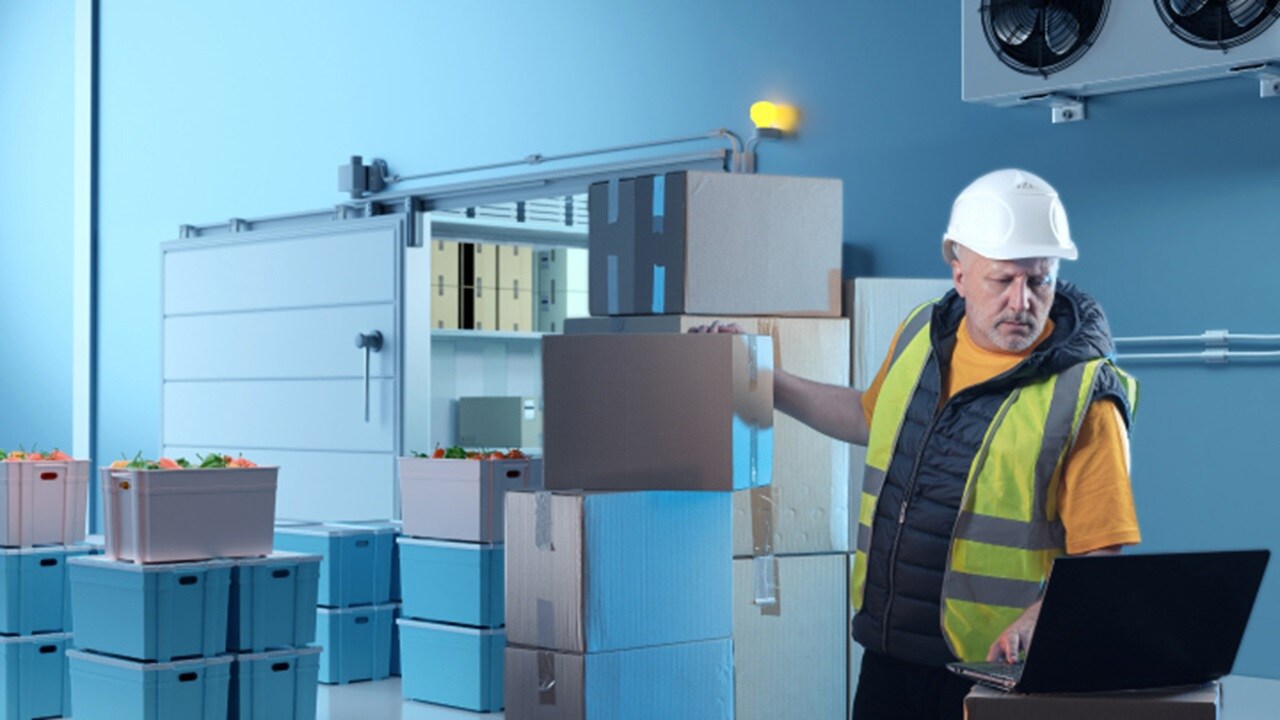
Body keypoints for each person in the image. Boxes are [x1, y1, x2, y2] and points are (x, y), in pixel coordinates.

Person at [696, 168, 1140, 720]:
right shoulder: (921, 337)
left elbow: (1103, 553)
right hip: (891, 653)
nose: (1023, 301)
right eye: (1002, 281)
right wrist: (760, 376)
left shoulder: (1083, 394)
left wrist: (1038, 619)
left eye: (1040, 280)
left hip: (994, 672)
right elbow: (867, 418)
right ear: (958, 272)